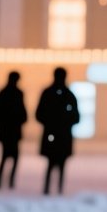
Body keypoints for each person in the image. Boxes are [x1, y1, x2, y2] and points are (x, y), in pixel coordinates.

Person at [36, 67, 81, 195]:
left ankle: (50, 189)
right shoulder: (68, 95)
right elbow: (76, 117)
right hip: (62, 136)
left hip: (55, 134)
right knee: (59, 164)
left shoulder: (50, 93)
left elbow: (39, 114)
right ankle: (57, 190)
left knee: (53, 163)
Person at [0, 72, 27, 190]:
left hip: (6, 131)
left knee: (5, 156)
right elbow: (23, 113)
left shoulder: (3, 93)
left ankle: (0, 180)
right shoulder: (18, 93)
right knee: (13, 157)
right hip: (13, 131)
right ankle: (10, 180)